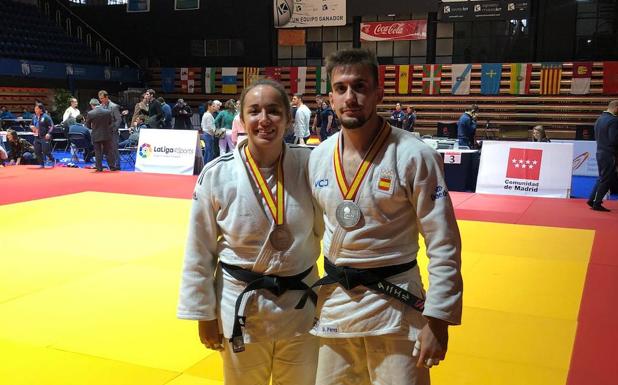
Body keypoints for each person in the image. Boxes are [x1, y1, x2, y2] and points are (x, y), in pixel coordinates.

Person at [307, 48, 463, 385]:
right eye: (341, 88)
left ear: (379, 93)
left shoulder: (414, 155)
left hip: (397, 308)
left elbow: (443, 241)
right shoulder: (318, 156)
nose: (351, 97)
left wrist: (438, 318)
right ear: (330, 97)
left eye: (360, 86)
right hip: (337, 305)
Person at [177, 79, 322, 385]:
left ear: (287, 118)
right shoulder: (218, 173)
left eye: (273, 110)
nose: (264, 119)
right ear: (241, 120)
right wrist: (204, 314)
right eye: (254, 111)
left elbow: (325, 232)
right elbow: (199, 249)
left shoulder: (309, 166)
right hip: (242, 306)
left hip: (302, 306)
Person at [587, 100, 618, 212]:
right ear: (615, 107)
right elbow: (614, 140)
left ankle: (592, 200)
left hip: (600, 152)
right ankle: (597, 203)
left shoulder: (599, 119)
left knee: (601, 177)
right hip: (609, 154)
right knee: (606, 179)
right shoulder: (614, 120)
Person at [86, 98, 117, 172]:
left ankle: (99, 168)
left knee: (98, 151)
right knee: (109, 151)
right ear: (98, 103)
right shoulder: (107, 112)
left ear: (91, 105)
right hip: (107, 134)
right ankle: (112, 167)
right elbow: (111, 123)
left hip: (96, 134)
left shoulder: (90, 113)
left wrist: (94, 128)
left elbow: (87, 125)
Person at [99, 90, 122, 170]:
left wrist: (114, 129)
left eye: (102, 98)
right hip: (104, 132)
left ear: (107, 97)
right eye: (100, 99)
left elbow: (118, 120)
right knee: (107, 149)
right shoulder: (101, 106)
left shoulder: (114, 106)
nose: (101, 100)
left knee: (114, 149)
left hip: (113, 132)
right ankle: (111, 166)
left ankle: (117, 166)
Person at [30, 102, 55, 168]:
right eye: (35, 109)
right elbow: (31, 124)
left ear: (41, 109)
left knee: (45, 151)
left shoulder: (46, 117)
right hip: (37, 136)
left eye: (37, 109)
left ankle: (52, 159)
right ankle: (42, 164)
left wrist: (49, 133)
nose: (35, 110)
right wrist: (31, 127)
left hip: (44, 136)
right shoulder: (34, 117)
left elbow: (52, 126)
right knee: (37, 151)